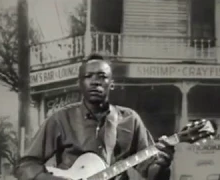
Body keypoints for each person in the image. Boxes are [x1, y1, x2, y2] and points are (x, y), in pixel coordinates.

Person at [14, 53, 175, 180]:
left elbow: (152, 173)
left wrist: (163, 163)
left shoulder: (130, 120)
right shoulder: (60, 119)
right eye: (88, 76)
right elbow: (25, 166)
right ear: (79, 83)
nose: (95, 82)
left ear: (112, 83)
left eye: (102, 76)